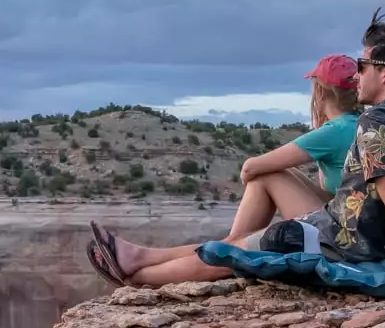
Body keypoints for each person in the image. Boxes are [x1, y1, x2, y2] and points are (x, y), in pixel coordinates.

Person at [87, 13, 385, 286]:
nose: (357, 74)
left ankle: (138, 275)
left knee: (239, 252)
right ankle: (137, 259)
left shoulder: (376, 123)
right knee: (241, 244)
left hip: (341, 241)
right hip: (358, 236)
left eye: (362, 66)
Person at [86, 56, 359, 287]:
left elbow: (252, 166)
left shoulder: (335, 130)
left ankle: (138, 275)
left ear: (319, 92)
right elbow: (330, 192)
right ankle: (143, 257)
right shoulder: (358, 125)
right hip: (345, 225)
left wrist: (250, 178)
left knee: (263, 180)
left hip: (337, 235)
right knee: (242, 229)